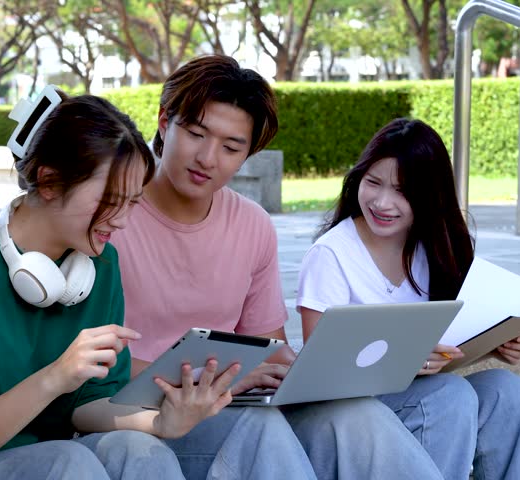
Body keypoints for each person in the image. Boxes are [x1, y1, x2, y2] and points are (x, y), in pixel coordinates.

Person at [0, 91, 314, 480]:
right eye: (110, 201)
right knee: (71, 462)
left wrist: (160, 423)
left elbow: (91, 402)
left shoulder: (97, 264)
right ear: (50, 182)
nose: (123, 219)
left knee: (141, 450)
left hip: (45, 458)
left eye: (132, 202)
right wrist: (56, 376)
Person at [110, 54, 443, 480]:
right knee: (259, 427)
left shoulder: (252, 225)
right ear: (163, 121)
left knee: (354, 415)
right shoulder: (112, 216)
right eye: (195, 134)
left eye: (232, 147)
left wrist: (305, 372)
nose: (208, 158)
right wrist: (213, 380)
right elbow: (96, 365)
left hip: (230, 401)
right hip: (144, 414)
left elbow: (267, 344)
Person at [296, 118, 520, 480]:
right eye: (373, 182)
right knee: (449, 396)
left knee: (509, 391)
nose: (382, 202)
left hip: (415, 397)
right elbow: (320, 374)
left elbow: (443, 349)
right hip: (354, 414)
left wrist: (492, 346)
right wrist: (404, 362)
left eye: (404, 191)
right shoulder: (331, 255)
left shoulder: (434, 249)